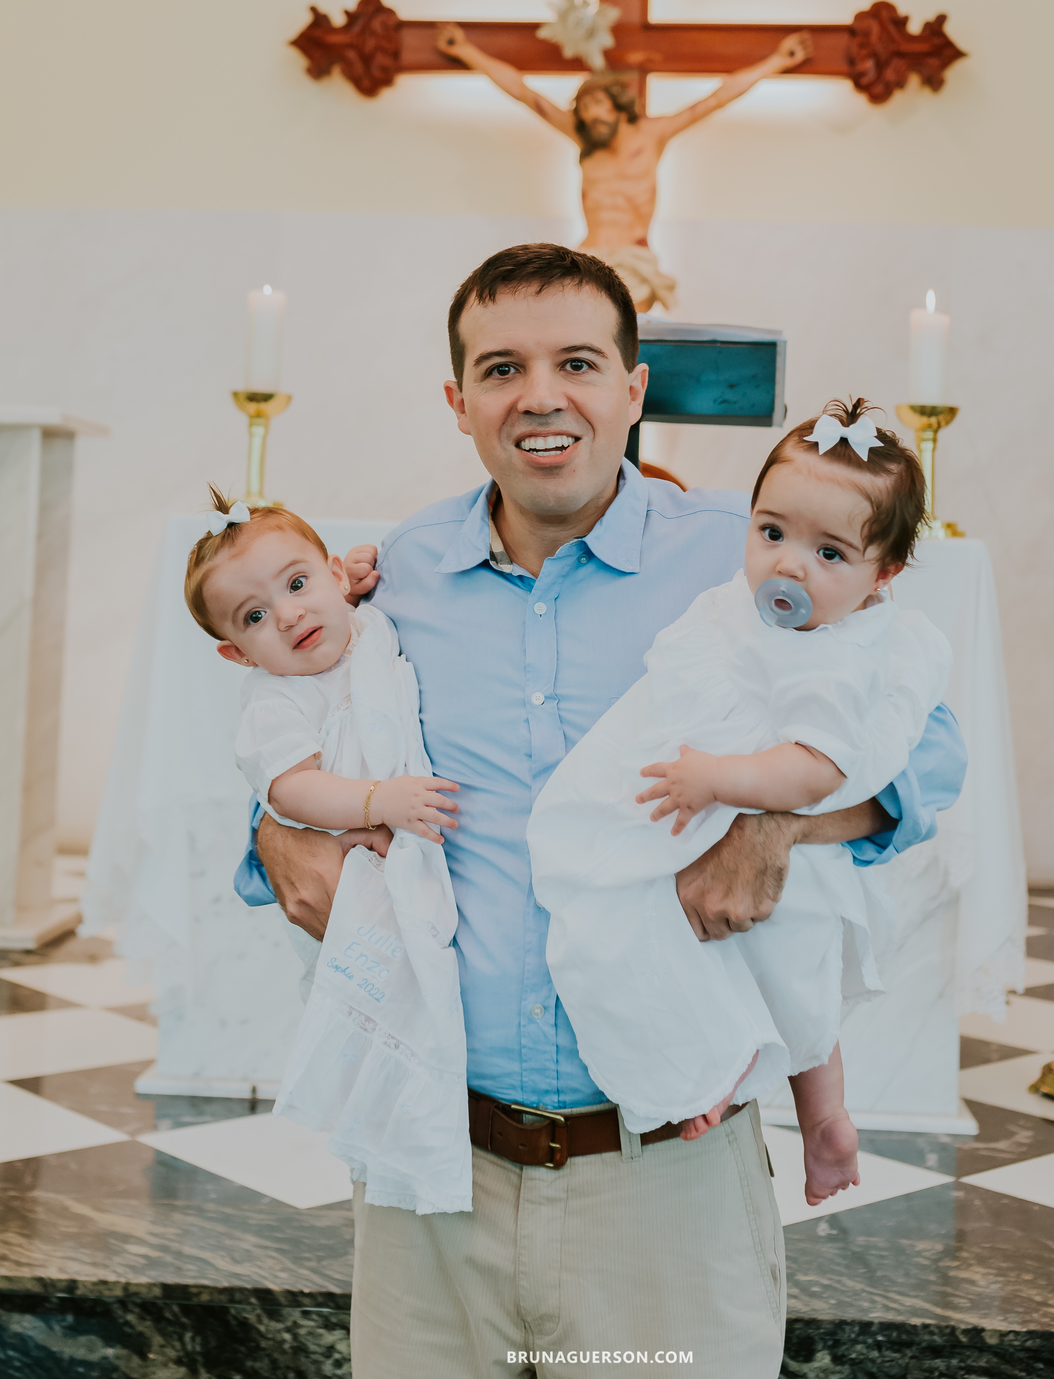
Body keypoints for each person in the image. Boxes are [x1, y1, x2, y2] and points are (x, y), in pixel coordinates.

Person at [236, 241, 967, 1379]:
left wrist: (767, 822)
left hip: (662, 1174)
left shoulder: (746, 557)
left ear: (633, 387)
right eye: (501, 368)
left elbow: (926, 762)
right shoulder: (389, 577)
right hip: (439, 1162)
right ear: (458, 400)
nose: (541, 396)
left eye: (578, 361)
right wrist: (280, 830)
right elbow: (283, 749)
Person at [527, 401, 951, 1209]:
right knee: (728, 955)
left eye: (829, 553)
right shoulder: (745, 592)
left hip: (747, 802)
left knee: (749, 954)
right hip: (714, 797)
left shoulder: (841, 656)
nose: (788, 568)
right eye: (771, 534)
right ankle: (808, 1110)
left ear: (883, 575)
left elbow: (819, 770)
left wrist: (720, 782)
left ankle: (729, 1081)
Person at [184, 491, 470, 1213]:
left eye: (297, 582)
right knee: (386, 1010)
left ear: (339, 577)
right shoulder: (273, 705)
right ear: (234, 652)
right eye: (254, 616)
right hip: (364, 861)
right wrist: (379, 801)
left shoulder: (368, 625)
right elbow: (294, 789)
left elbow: (373, 601)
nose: (287, 614)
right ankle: (401, 1134)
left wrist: (373, 572)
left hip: (423, 843)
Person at [434, 22, 813, 311]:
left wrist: (778, 61)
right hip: (591, 254)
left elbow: (717, 98)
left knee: (624, 346)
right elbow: (524, 93)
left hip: (634, 255)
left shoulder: (654, 134)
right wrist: (467, 50)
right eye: (584, 108)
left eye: (598, 104)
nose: (591, 114)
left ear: (617, 104)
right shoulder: (584, 139)